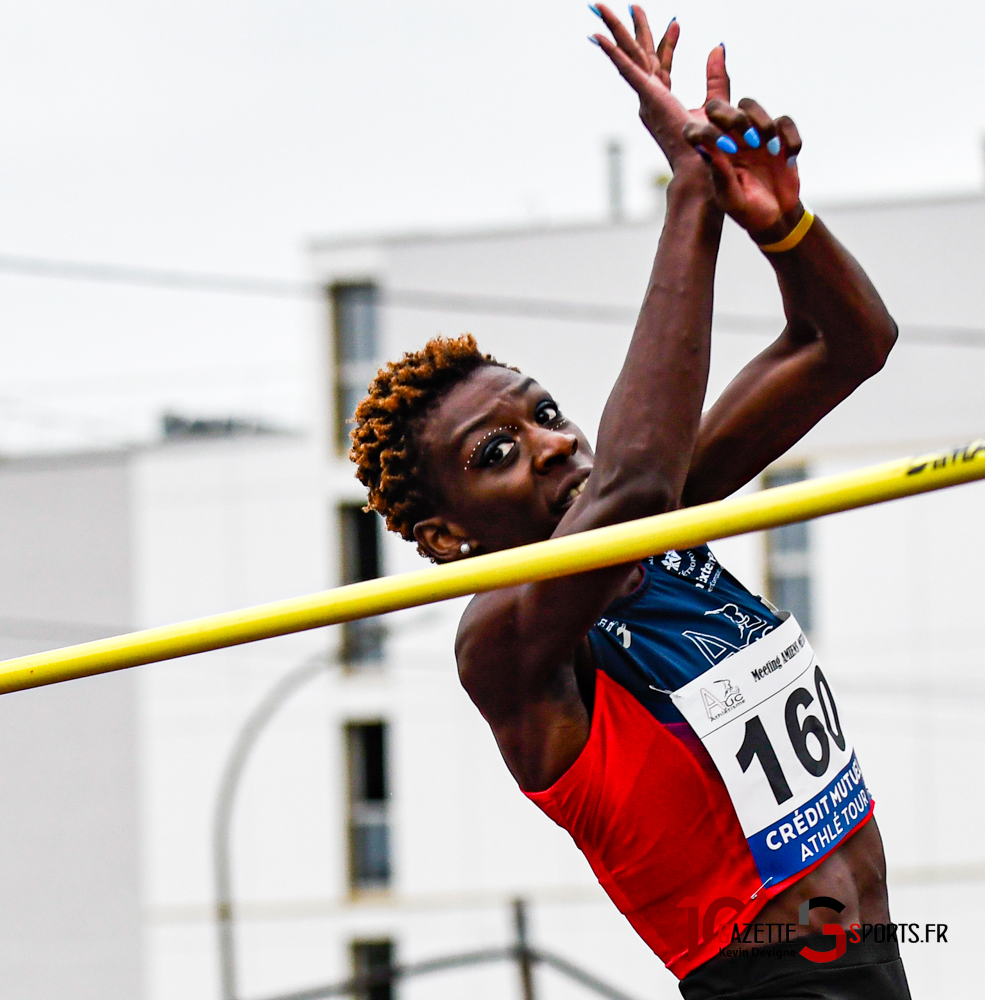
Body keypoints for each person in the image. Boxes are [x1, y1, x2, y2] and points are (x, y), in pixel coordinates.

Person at [349, 7, 907, 999]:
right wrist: (691, 189)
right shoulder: (511, 644)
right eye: (500, 452)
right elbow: (633, 482)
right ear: (447, 533)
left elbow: (849, 343)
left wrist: (785, 228)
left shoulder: (660, 512)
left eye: (548, 412)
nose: (556, 440)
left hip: (874, 963)